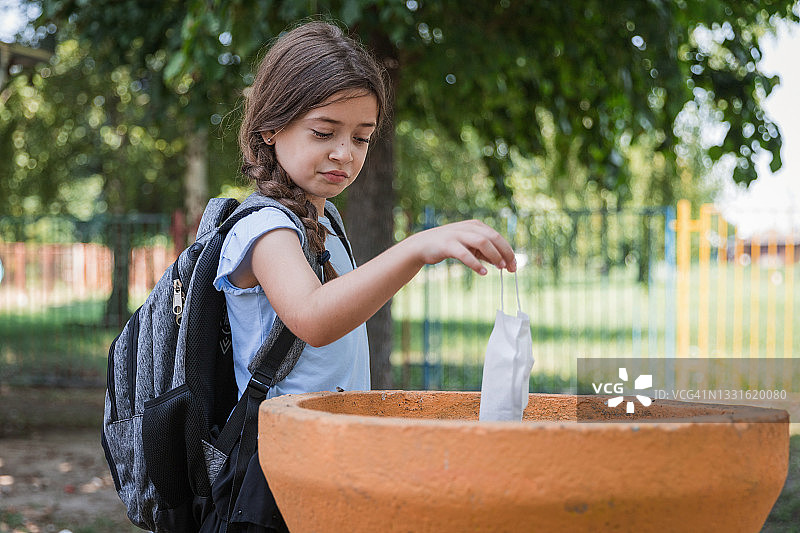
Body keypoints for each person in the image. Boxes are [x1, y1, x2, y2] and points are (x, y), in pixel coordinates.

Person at [206, 20, 516, 532]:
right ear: (270, 128)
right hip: (277, 475)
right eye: (324, 132)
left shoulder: (325, 221)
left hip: (333, 456)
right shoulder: (264, 229)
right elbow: (313, 319)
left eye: (361, 137)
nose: (344, 153)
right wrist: (417, 248)